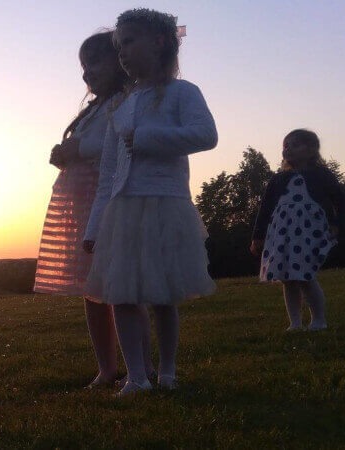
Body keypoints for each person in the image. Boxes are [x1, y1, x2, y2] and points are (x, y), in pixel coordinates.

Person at [83, 8, 218, 396]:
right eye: (118, 45)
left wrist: (148, 137)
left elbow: (205, 135)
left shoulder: (183, 92)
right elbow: (108, 174)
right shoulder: (121, 106)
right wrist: (94, 227)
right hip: (123, 211)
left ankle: (168, 372)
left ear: (159, 42)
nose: (122, 52)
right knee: (122, 293)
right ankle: (137, 375)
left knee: (163, 295)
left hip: (165, 203)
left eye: (129, 42)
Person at [34, 31, 131, 388]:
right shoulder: (92, 110)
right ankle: (106, 368)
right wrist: (64, 156)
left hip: (105, 206)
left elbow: (115, 143)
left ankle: (136, 366)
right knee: (93, 291)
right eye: (83, 65)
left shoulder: (123, 101)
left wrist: (78, 150)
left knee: (118, 287)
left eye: (94, 62)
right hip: (82, 210)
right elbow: (85, 148)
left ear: (119, 61)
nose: (87, 73)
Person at [250, 129, 345, 331]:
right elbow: (265, 209)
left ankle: (319, 320)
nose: (287, 149)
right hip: (283, 232)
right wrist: (257, 237)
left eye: (294, 144)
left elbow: (339, 200)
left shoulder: (322, 175)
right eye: (285, 145)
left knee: (305, 275)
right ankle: (295, 323)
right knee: (287, 278)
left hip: (310, 230)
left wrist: (336, 223)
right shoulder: (278, 179)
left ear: (311, 150)